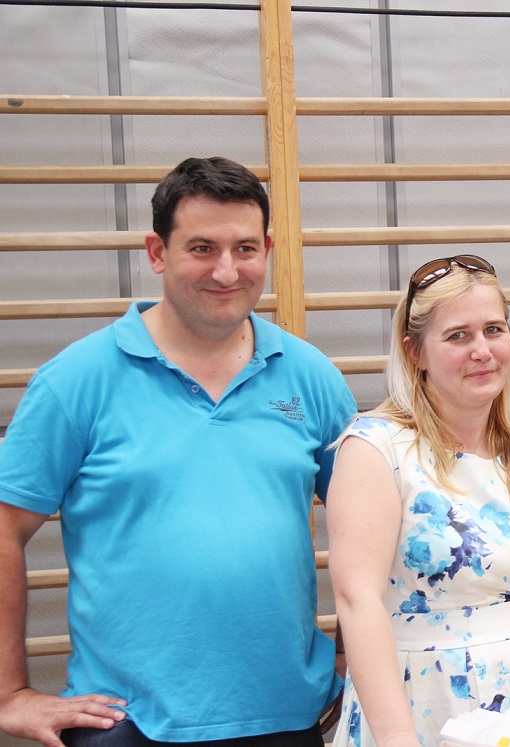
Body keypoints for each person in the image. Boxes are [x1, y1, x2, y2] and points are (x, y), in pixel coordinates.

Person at [0, 156, 357, 747]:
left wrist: (352, 657)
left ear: (267, 250)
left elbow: (372, 526)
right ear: (157, 252)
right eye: (202, 248)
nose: (226, 270)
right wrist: (9, 695)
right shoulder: (76, 380)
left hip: (286, 715)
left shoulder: (311, 377)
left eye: (245, 248)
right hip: (127, 722)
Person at [326, 255, 510, 747]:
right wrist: (397, 736)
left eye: (494, 330)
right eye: (457, 336)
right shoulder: (376, 450)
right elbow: (357, 601)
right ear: (415, 352)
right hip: (411, 705)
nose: (482, 350)